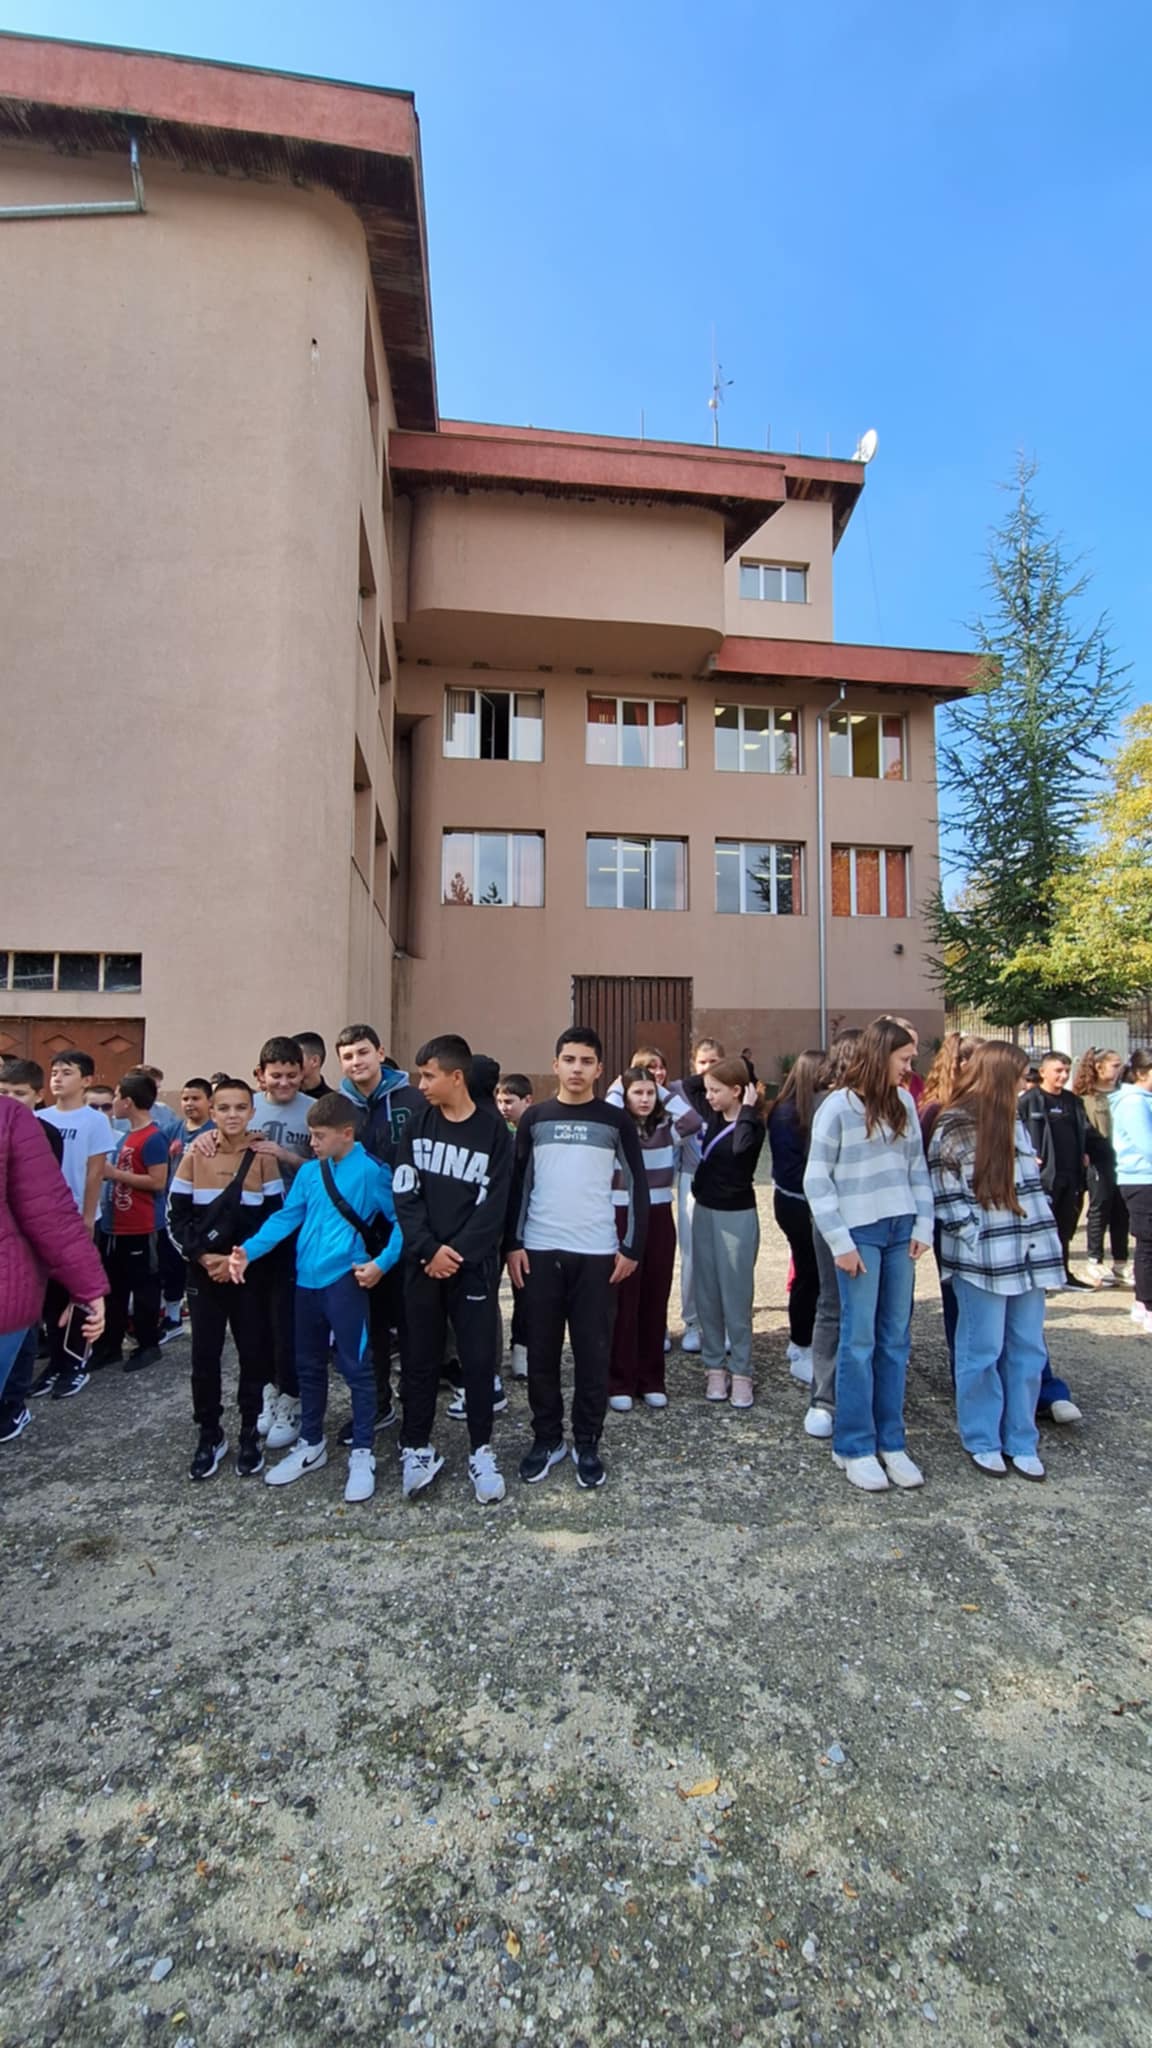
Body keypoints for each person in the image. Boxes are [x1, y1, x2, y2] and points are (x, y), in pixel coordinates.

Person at [229, 1091, 402, 1504]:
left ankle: (363, 1451)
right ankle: (311, 1442)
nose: (312, 1143)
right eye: (310, 1134)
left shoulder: (372, 1171)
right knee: (307, 1366)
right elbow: (287, 1216)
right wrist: (248, 1251)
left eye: (320, 1136)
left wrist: (382, 1263)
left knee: (357, 1368)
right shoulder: (310, 1172)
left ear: (347, 1133)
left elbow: (402, 1222)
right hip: (305, 1282)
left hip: (346, 1281)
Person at [507, 1027, 648, 1490]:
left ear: (599, 1069)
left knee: (592, 1355)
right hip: (540, 1250)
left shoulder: (616, 1120)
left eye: (586, 1061)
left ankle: (587, 1440)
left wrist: (632, 1247)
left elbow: (638, 1184)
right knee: (542, 1354)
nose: (576, 1068)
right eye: (569, 1059)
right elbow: (519, 1184)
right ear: (555, 1065)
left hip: (597, 1254)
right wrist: (513, 1243)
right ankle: (547, 1438)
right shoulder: (535, 1118)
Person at [804, 1017, 932, 1492]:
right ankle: (854, 1444)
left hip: (900, 1230)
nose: (909, 1067)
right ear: (881, 1057)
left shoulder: (904, 1102)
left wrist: (923, 1224)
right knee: (858, 1342)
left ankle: (891, 1441)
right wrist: (840, 1242)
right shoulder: (836, 1107)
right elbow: (817, 1180)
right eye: (904, 1059)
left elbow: (917, 1168)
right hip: (859, 1234)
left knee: (895, 1339)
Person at [929, 1042, 1065, 1482]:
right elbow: (945, 1195)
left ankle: (1021, 1438)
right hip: (983, 1259)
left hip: (1029, 1254)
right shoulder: (955, 1123)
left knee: (1027, 1348)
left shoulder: (1015, 1119)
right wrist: (974, 1237)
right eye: (1022, 1075)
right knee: (981, 1349)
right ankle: (982, 1436)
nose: (1028, 1083)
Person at [391, 1034, 513, 1504]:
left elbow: (495, 1204)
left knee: (478, 1362)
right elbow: (405, 1193)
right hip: (422, 1265)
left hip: (472, 1268)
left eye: (429, 1076)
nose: (421, 1084)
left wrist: (456, 1253)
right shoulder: (417, 1126)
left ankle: (481, 1450)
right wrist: (428, 1250)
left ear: (456, 1077)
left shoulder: (493, 1132)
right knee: (419, 1359)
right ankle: (417, 1446)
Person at [168, 1077, 285, 1482]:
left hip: (248, 1273)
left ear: (252, 1111)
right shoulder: (194, 1154)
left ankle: (249, 1429)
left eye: (240, 1107)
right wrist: (203, 1257)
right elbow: (175, 1215)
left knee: (254, 1353)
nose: (232, 1115)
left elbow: (275, 1217)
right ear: (212, 1112)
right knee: (204, 1355)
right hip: (203, 1273)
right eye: (223, 1108)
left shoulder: (262, 1157)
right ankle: (209, 1431)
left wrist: (240, 1258)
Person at [336, 1024, 422, 1435]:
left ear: (380, 1053)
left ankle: (415, 1413)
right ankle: (376, 1405)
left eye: (363, 1052)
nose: (357, 1061)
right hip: (358, 1233)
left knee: (412, 1325)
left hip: (409, 1226)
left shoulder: (413, 1099)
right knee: (368, 1329)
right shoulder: (337, 1107)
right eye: (348, 1056)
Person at [0, 1095, 107, 1414]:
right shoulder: (10, 1115)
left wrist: (87, 1284)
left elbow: (48, 1212)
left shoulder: (10, 1117)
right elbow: (48, 1212)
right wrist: (88, 1287)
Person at [691, 1056, 765, 1408]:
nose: (708, 1097)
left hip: (736, 1216)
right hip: (705, 1211)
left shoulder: (752, 1124)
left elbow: (740, 1149)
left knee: (736, 1295)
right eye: (707, 1090)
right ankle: (714, 1367)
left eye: (716, 1091)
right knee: (706, 1292)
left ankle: (741, 1371)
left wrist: (747, 1107)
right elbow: (687, 1087)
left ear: (737, 1090)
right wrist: (712, 1073)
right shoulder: (711, 1115)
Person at [607, 1067, 678, 1412]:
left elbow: (692, 1121)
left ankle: (651, 1379)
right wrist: (616, 1090)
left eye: (650, 1093)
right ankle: (619, 1380)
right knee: (623, 1298)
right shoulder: (616, 1127)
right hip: (621, 1211)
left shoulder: (666, 1125)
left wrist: (661, 1089)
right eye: (638, 1092)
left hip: (660, 1211)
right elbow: (606, 1113)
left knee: (655, 1294)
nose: (645, 1099)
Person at [803, 1030, 862, 1440]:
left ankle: (859, 1390)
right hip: (834, 1218)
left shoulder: (893, 1104)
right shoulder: (830, 1104)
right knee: (832, 1304)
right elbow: (819, 1172)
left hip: (875, 1220)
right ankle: (824, 1397)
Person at [94, 1071, 170, 1372]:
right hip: (115, 1225)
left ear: (127, 1102)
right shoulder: (127, 1134)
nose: (113, 1102)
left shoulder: (153, 1137)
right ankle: (110, 1345)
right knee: (114, 1289)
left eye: (116, 1097)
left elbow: (158, 1181)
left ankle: (148, 1344)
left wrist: (115, 1174)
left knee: (144, 1290)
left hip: (142, 1226)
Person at [1017, 1053, 1108, 1285]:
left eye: (1067, 1070)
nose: (1064, 1075)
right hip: (1044, 1177)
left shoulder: (1073, 1101)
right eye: (1058, 1070)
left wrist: (1094, 1152)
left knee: (1065, 1228)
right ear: (1043, 1072)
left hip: (1071, 1175)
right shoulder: (1028, 1101)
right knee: (1040, 1229)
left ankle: (1063, 1273)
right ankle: (1038, 1277)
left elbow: (1086, 1132)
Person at [767, 1051, 825, 1390]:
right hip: (797, 1204)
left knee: (811, 1274)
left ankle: (802, 1339)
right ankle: (801, 1344)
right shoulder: (788, 1113)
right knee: (808, 1274)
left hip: (803, 1201)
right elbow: (792, 1172)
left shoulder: (801, 1110)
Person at [37, 1050, 114, 1234]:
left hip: (76, 1209)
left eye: (67, 1073)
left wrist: (88, 1217)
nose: (58, 1079)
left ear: (86, 1081)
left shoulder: (96, 1120)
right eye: (54, 1073)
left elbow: (95, 1172)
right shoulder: (37, 1117)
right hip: (42, 1209)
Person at [1072, 1047, 1131, 1288]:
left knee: (1122, 1210)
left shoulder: (1124, 1093)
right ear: (1099, 1067)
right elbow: (1084, 1129)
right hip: (1100, 1158)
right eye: (1114, 1065)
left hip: (1123, 1159)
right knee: (1100, 1207)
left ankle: (1121, 1261)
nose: (1119, 1069)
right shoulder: (1085, 1098)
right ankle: (1094, 1259)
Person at [1111, 1050, 1152, 1334]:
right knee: (1148, 1244)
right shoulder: (1133, 1103)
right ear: (1141, 1073)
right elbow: (1146, 1144)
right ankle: (1146, 1305)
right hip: (1142, 1179)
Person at [495, 1073, 533, 1377]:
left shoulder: (534, 1133)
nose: (503, 1107)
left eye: (509, 1101)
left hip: (528, 1223)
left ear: (527, 1101)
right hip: (498, 1220)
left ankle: (521, 1351)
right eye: (500, 1101)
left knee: (525, 1291)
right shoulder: (496, 1133)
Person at [293, 1032, 331, 1101]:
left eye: (297, 1057)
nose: (290, 1062)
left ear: (315, 1061)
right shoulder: (284, 1097)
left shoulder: (334, 1102)